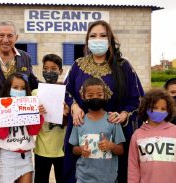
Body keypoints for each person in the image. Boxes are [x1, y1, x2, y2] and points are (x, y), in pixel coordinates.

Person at [63, 20, 144, 183]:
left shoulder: (123, 66)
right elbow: (65, 90)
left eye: (102, 35)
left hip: (113, 132)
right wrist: (74, 105)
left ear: (110, 40)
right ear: (87, 40)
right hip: (81, 131)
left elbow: (138, 98)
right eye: (93, 36)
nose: (97, 39)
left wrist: (124, 114)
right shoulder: (77, 66)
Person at [0, 20, 39, 183]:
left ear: (16, 37)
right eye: (1, 35)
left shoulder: (25, 57)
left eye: (10, 35)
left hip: (21, 124)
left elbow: (32, 83)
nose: (5, 39)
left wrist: (54, 94)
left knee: (22, 165)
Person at [0, 73, 45, 183]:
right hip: (8, 158)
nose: (19, 90)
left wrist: (38, 116)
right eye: (15, 88)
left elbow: (33, 131)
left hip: (26, 156)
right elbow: (2, 135)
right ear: (8, 89)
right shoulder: (1, 108)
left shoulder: (29, 106)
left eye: (23, 88)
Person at [128, 89, 176, 183]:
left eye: (163, 109)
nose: (159, 111)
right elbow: (133, 167)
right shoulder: (137, 135)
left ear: (169, 110)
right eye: (154, 107)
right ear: (145, 108)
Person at [69, 77, 125, 183]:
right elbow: (74, 149)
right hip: (83, 178)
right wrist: (81, 150)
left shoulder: (112, 120)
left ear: (105, 95)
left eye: (99, 95)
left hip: (108, 179)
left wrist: (111, 146)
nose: (95, 98)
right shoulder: (79, 121)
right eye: (90, 95)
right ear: (83, 97)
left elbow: (121, 150)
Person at [34, 54, 69, 183]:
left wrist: (66, 114)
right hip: (42, 149)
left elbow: (73, 119)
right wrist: (35, 113)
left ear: (60, 71)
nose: (49, 72)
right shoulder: (35, 93)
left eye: (53, 69)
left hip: (62, 150)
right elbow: (30, 121)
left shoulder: (67, 94)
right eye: (46, 68)